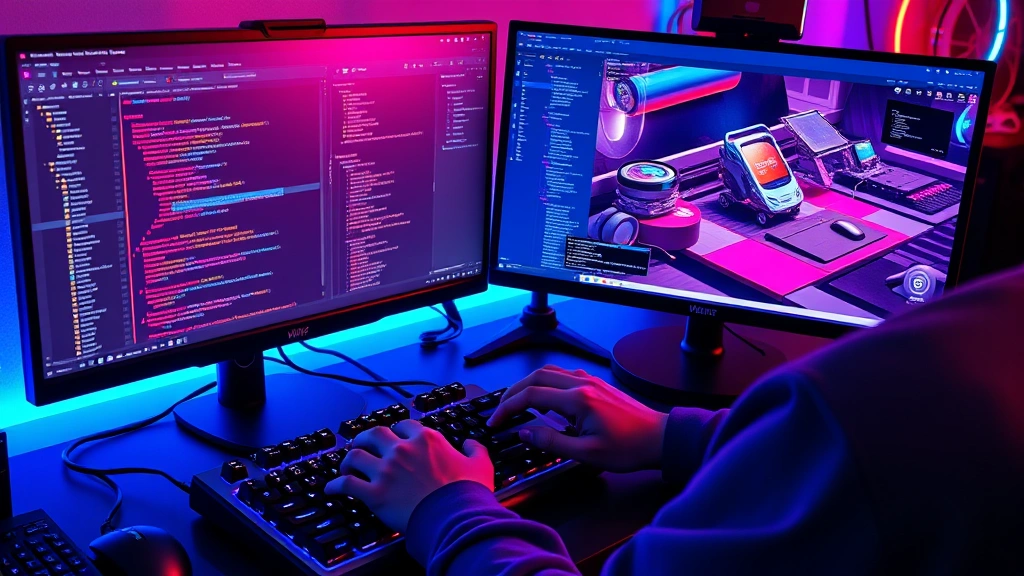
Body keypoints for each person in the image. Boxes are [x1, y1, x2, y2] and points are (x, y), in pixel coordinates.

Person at [325, 265, 1024, 575]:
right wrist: (674, 436)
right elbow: (904, 451)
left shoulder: (880, 390)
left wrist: (448, 510)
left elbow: (881, 438)